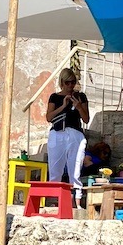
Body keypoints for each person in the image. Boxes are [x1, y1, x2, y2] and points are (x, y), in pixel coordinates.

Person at [46, 68, 89, 204]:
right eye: (67, 83)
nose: (70, 86)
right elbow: (48, 117)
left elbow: (86, 119)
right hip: (58, 133)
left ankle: (76, 201)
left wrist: (78, 107)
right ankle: (54, 200)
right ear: (62, 82)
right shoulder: (55, 97)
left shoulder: (80, 96)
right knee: (55, 167)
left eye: (73, 82)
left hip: (75, 132)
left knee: (75, 167)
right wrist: (63, 106)